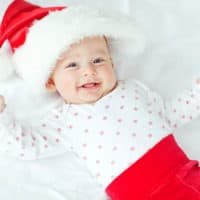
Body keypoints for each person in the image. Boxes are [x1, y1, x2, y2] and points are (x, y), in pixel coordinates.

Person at [0, 1, 200, 199]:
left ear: (112, 64)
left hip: (185, 174)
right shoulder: (65, 121)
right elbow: (26, 146)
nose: (89, 71)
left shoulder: (133, 90)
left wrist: (197, 93)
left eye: (98, 60)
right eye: (72, 65)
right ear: (51, 82)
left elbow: (170, 115)